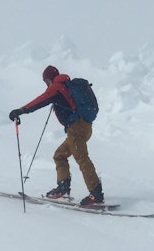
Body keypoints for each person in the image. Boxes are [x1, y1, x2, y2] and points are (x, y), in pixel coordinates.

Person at [8, 65, 105, 207]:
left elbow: (40, 101)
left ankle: (96, 194)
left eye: (45, 81)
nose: (46, 84)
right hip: (85, 127)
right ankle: (63, 188)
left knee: (82, 158)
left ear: (48, 79)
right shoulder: (66, 86)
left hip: (76, 129)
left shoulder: (57, 88)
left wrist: (21, 110)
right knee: (60, 155)